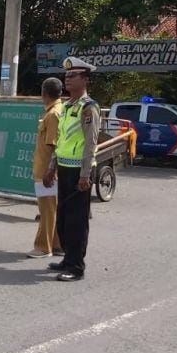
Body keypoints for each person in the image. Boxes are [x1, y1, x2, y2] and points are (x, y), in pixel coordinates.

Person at [47, 57, 101, 282]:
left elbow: (90, 143)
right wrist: (52, 166)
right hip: (64, 167)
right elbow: (61, 140)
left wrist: (85, 174)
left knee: (76, 221)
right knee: (63, 219)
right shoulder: (68, 106)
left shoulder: (89, 108)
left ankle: (76, 266)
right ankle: (68, 258)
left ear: (85, 79)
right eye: (66, 75)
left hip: (80, 171)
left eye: (73, 75)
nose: (67, 79)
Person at [28, 77, 64, 259]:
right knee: (52, 208)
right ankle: (56, 244)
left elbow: (54, 145)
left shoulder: (52, 115)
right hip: (49, 170)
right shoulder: (57, 110)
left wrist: (50, 171)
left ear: (44, 93)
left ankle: (43, 247)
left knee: (47, 210)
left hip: (47, 171)